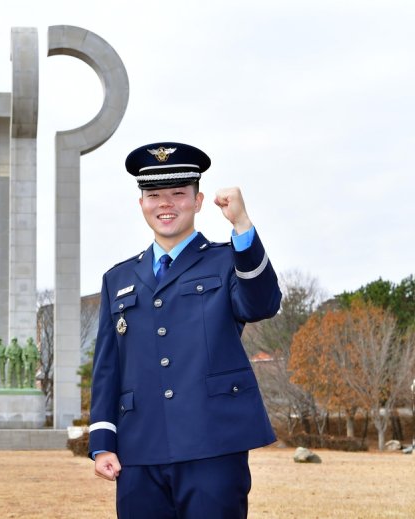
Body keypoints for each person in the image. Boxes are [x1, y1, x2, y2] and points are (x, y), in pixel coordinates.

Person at [89, 142, 282, 518]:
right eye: (154, 195)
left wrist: (242, 226)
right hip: (139, 448)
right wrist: (102, 441)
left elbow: (262, 304)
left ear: (197, 201)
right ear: (141, 203)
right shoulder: (119, 278)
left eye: (178, 193)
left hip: (213, 442)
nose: (166, 204)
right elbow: (107, 367)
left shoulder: (229, 259)